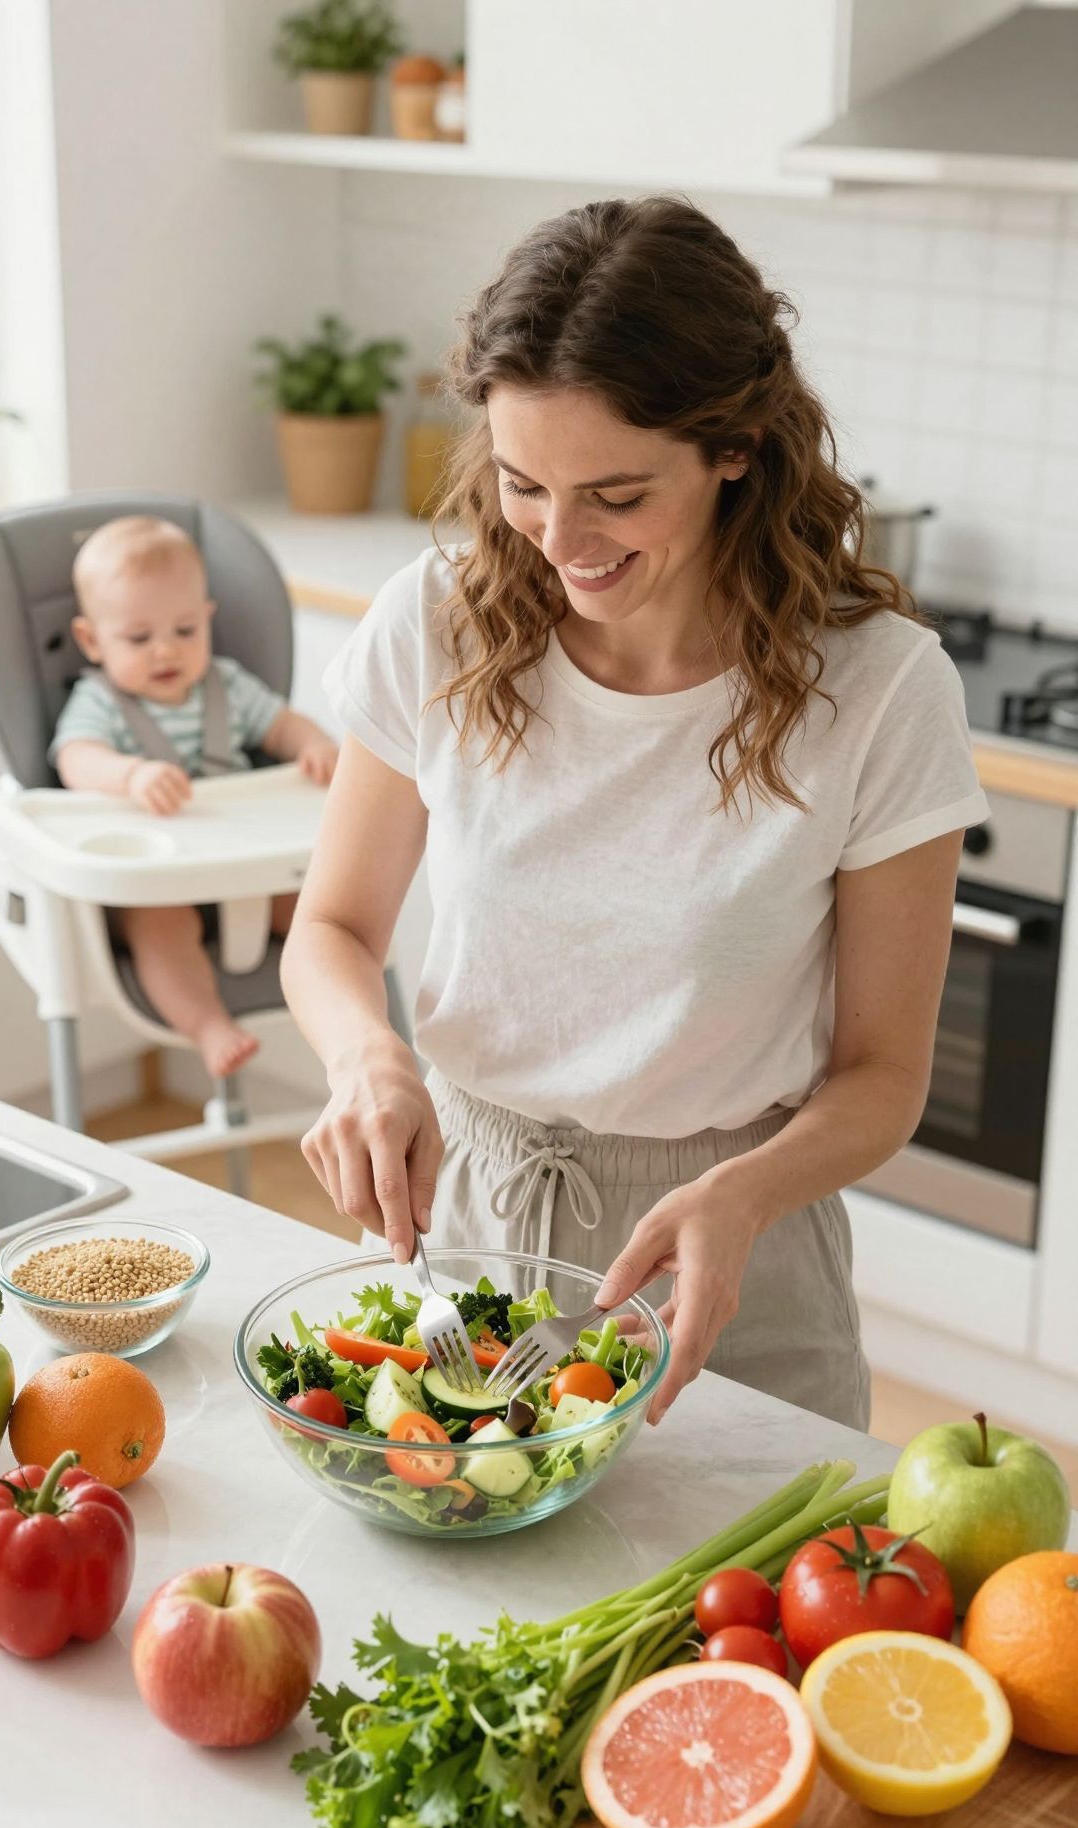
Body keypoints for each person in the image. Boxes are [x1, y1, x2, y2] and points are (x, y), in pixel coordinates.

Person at [279, 195, 988, 1430]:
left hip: (732, 1260)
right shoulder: (436, 624)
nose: (562, 538)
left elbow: (882, 1075)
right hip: (472, 1243)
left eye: (614, 492)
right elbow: (331, 927)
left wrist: (747, 1191)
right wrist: (367, 1056)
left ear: (734, 447)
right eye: (522, 484)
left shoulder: (878, 689)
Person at [51, 515, 338, 1079]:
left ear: (207, 619)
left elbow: (281, 725)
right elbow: (73, 758)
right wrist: (130, 776)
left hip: (244, 863)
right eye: (138, 638)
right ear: (91, 640)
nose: (165, 651)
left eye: (184, 631)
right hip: (159, 881)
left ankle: (345, 1013)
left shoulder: (227, 686)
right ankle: (209, 1026)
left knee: (318, 904)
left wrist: (315, 745)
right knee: (161, 931)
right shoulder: (100, 702)